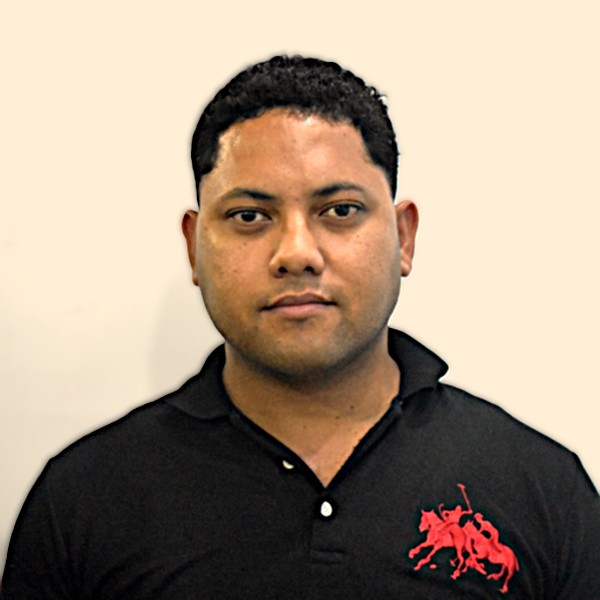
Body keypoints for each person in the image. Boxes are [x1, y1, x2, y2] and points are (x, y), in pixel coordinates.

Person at [2, 55, 599, 599]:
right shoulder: (84, 499)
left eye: (339, 211)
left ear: (403, 238)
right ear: (193, 247)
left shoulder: (542, 488)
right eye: (249, 216)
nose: (296, 253)